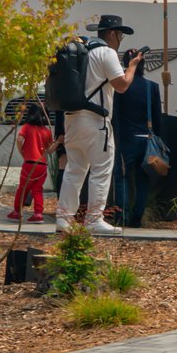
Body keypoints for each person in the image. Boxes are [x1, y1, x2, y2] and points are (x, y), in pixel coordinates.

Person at [55, 14, 138, 235]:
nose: (120, 39)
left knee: (74, 170)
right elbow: (121, 85)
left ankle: (63, 219)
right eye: (120, 34)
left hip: (71, 119)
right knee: (101, 169)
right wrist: (132, 67)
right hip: (96, 121)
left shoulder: (82, 51)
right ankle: (94, 219)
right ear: (111, 33)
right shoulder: (106, 53)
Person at [109, 50, 167, 227]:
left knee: (122, 177)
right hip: (147, 138)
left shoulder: (120, 88)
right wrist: (159, 139)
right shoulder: (152, 87)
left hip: (127, 138)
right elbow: (157, 117)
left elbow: (115, 116)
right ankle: (137, 217)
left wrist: (116, 137)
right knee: (143, 179)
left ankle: (122, 215)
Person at [5, 99, 53, 224]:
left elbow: (19, 140)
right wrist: (58, 142)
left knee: (23, 188)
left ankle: (16, 212)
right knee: (38, 190)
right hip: (42, 165)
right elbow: (50, 150)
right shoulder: (47, 131)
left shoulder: (27, 127)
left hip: (30, 163)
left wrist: (22, 152)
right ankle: (38, 214)